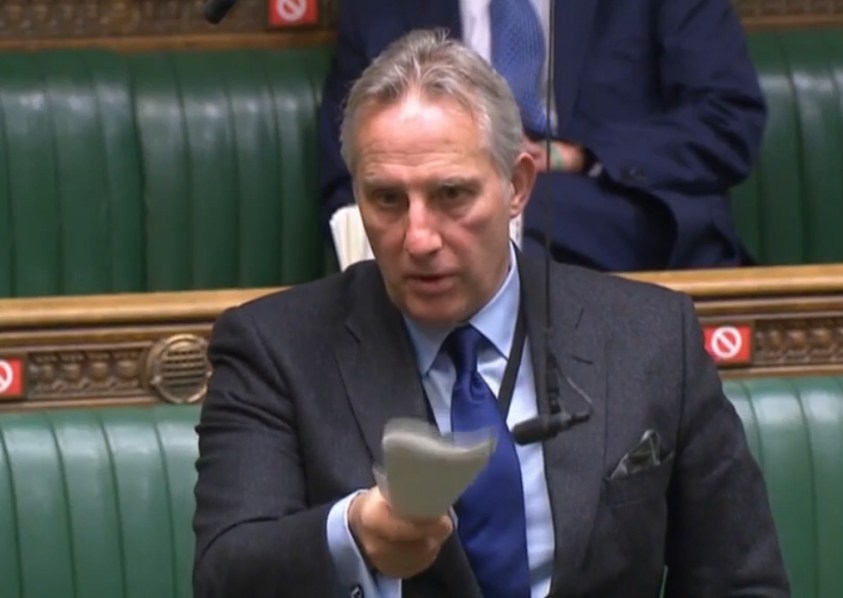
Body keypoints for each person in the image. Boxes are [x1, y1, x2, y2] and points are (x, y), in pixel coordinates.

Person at [194, 29, 787, 597]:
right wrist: (352, 534)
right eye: (387, 199)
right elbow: (226, 575)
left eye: (451, 194)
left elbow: (739, 581)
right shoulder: (274, 349)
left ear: (517, 186)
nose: (419, 238)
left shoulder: (651, 337)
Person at [318, 0, 766, 272]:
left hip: (620, 206)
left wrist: (579, 155)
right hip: (444, 211)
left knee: (499, 229)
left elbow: (727, 121)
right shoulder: (382, 7)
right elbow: (346, 171)